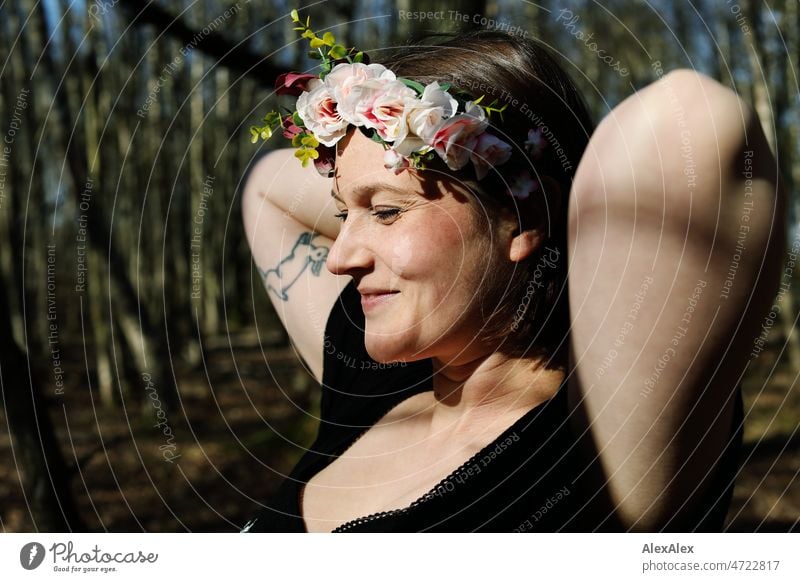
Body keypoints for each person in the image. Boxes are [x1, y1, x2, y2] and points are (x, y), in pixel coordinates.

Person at [240, 22, 785, 532]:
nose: (340, 258)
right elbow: (265, 184)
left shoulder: (593, 447)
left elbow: (690, 117)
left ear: (525, 218)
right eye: (341, 218)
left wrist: (500, 177)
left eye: (385, 213)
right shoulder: (373, 378)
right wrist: (370, 137)